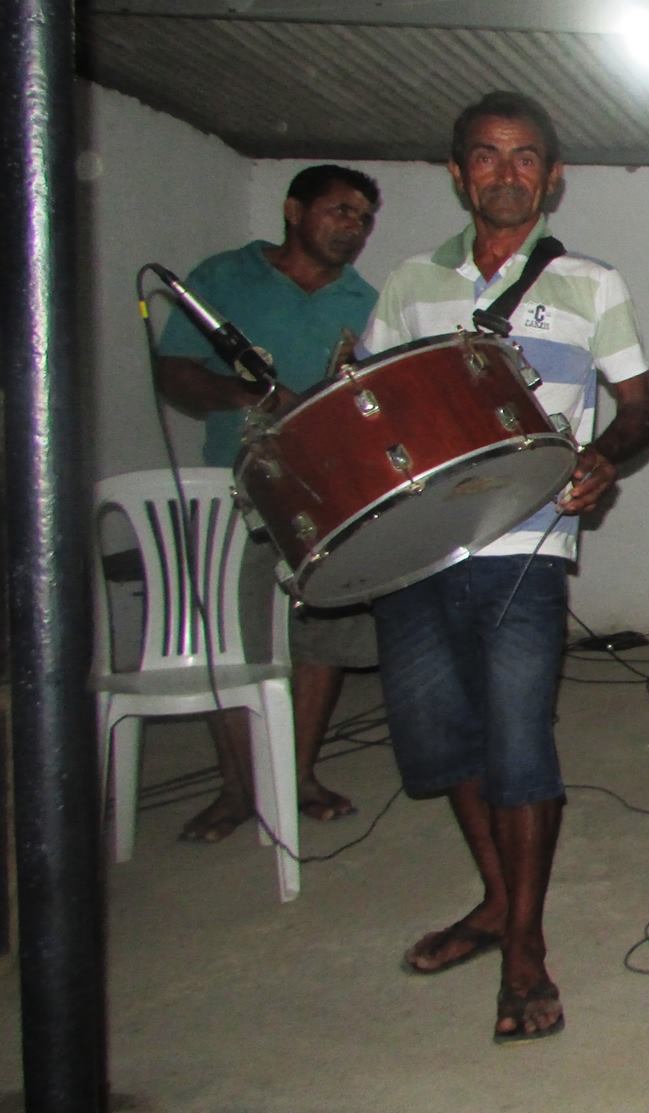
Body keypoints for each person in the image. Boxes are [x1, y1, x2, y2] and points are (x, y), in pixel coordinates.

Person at [359, 90, 649, 1043]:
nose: (506, 172)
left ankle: (525, 946)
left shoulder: (591, 283)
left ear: (552, 176)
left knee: (520, 741)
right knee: (444, 738)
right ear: (458, 174)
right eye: (486, 156)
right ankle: (497, 900)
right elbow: (367, 406)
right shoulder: (409, 283)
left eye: (525, 156)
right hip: (414, 547)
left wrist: (602, 458)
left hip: (527, 541)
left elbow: (642, 411)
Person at [154, 163, 383, 842]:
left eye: (363, 218)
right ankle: (236, 788)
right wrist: (249, 395)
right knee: (234, 641)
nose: (353, 227)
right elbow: (174, 371)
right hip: (239, 485)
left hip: (327, 494)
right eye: (339, 210)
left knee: (321, 638)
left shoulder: (365, 300)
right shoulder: (224, 279)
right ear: (293, 209)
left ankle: (297, 775)